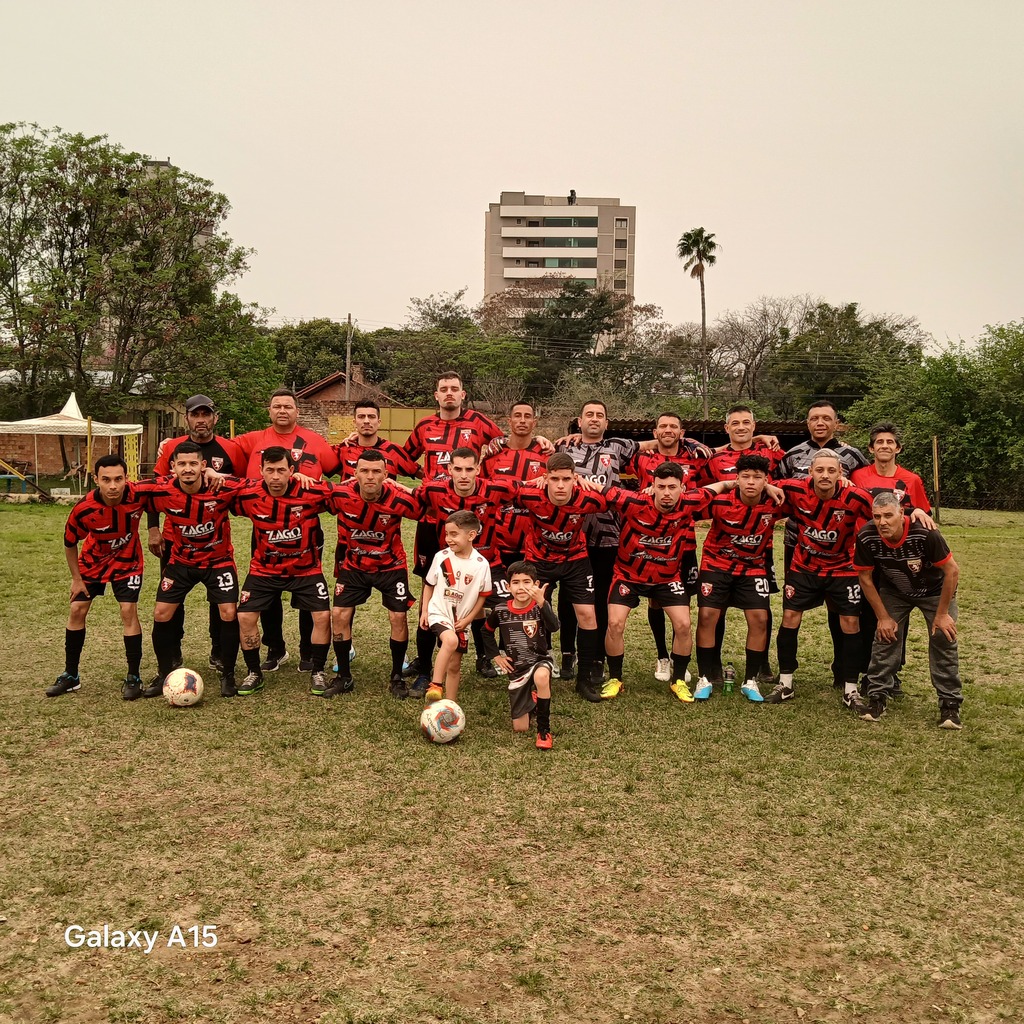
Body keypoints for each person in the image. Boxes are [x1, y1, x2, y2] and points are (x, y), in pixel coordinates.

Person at [601, 462, 733, 703]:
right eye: (661, 486)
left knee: (683, 625)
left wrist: (761, 486)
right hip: (628, 576)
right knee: (614, 623)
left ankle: (678, 680)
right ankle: (615, 678)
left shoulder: (690, 501)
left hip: (667, 578)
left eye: (672, 487)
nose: (666, 492)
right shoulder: (633, 501)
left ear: (682, 488)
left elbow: (721, 485)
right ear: (652, 486)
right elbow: (597, 489)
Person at [402, 372, 503, 685]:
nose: (449, 394)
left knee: (473, 587)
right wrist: (425, 477)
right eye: (443, 389)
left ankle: (484, 654)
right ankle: (424, 660)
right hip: (434, 521)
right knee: (432, 590)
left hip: (471, 518)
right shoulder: (424, 427)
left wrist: (539, 442)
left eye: (454, 389)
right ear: (436, 395)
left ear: (462, 394)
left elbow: (504, 445)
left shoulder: (480, 423)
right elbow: (403, 458)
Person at [233, 389, 340, 673]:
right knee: (266, 591)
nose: (282, 411)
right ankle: (275, 649)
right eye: (277, 406)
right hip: (265, 531)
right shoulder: (252, 439)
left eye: (288, 406)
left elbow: (338, 468)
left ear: (297, 411)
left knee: (309, 594)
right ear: (269, 411)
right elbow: (214, 448)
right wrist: (171, 444)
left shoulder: (315, 440)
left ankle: (308, 651)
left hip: (306, 530)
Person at [147, 394, 246, 679]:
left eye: (206, 415)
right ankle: (173, 651)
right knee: (170, 600)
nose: (200, 420)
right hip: (175, 538)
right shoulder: (171, 449)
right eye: (195, 415)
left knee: (221, 601)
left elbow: (240, 486)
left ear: (215, 418)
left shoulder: (231, 449)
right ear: (187, 418)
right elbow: (155, 492)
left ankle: (219, 651)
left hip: (215, 540)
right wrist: (153, 529)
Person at [766, 450, 874, 709]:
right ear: (810, 471)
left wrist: (916, 514)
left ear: (841, 474)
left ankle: (850, 688)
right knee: (790, 618)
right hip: (805, 567)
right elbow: (761, 485)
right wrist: (768, 486)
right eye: (820, 470)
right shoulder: (794, 488)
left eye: (831, 471)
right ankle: (786, 683)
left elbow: (884, 514)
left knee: (850, 623)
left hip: (843, 568)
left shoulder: (855, 496)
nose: (825, 475)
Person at [777, 400, 870, 689]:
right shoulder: (793, 454)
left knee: (841, 612)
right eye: (814, 418)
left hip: (841, 548)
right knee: (791, 611)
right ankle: (785, 679)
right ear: (807, 422)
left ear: (835, 422)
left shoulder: (853, 454)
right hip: (799, 543)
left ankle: (843, 672)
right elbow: (775, 488)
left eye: (826, 418)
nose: (820, 423)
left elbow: (866, 488)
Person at [229, 447, 334, 697]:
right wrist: (209, 471)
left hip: (306, 570)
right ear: (261, 472)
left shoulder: (311, 492)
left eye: (281, 470)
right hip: (264, 570)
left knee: (322, 616)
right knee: (244, 617)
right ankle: (254, 671)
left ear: (292, 471)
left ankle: (317, 670)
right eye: (270, 470)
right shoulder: (248, 495)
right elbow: (222, 487)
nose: (275, 476)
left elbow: (344, 492)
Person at [854, 492, 964, 729]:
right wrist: (883, 617)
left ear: (901, 513)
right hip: (896, 591)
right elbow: (864, 577)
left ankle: (950, 704)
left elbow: (952, 571)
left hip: (934, 591)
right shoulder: (866, 535)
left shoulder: (925, 533)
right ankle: (877, 698)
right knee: (885, 638)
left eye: (888, 516)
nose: (882, 522)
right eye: (877, 516)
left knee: (943, 638)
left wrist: (942, 614)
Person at [47, 455, 148, 700]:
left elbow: (169, 482)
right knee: (77, 610)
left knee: (128, 611)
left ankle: (133, 677)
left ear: (127, 479)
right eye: (106, 480)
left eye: (118, 479)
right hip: (93, 564)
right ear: (96, 480)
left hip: (128, 563)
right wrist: (76, 578)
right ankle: (71, 675)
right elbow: (69, 542)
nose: (113, 486)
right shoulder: (84, 509)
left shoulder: (139, 495)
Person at [555, 400, 641, 683]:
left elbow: (658, 444)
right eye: (589, 415)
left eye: (600, 415)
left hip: (607, 537)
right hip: (572, 536)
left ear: (606, 422)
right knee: (569, 598)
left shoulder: (618, 447)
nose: (594, 419)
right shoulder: (563, 448)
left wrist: (688, 438)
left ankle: (597, 659)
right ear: (578, 421)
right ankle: (568, 655)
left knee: (603, 598)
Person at [692, 454, 788, 701]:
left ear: (766, 480)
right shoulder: (720, 501)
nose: (751, 482)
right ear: (737, 479)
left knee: (759, 618)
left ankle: (750, 680)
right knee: (707, 616)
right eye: (745, 477)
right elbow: (691, 501)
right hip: (717, 564)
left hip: (753, 567)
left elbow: (808, 489)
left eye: (758, 478)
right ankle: (704, 677)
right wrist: (724, 485)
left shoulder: (775, 501)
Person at [326, 450, 419, 699]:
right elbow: (313, 496)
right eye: (364, 471)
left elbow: (425, 509)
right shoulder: (340, 495)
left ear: (386, 475)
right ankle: (344, 676)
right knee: (339, 614)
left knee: (398, 617)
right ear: (354, 474)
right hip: (354, 566)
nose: (370, 476)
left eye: (376, 471)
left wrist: (405, 488)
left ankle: (397, 677)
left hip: (391, 566)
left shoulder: (397, 499)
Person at [517, 452, 609, 702]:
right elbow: (499, 488)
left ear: (575, 480)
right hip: (538, 560)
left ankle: (584, 679)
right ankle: (534, 672)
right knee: (531, 613)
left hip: (575, 560)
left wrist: (598, 485)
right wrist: (527, 482)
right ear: (545, 478)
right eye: (554, 479)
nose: (560, 485)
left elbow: (625, 499)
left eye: (566, 479)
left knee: (588, 615)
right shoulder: (529, 494)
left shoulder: (588, 498)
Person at [628, 412, 712, 683]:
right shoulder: (642, 459)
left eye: (673, 427)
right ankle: (662, 656)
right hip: (651, 542)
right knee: (655, 599)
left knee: (681, 602)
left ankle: (678, 660)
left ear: (681, 431)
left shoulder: (694, 457)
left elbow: (721, 452)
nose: (667, 430)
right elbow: (612, 448)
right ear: (655, 432)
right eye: (663, 426)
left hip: (684, 541)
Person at [850, 422, 931, 693]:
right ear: (871, 448)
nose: (884, 446)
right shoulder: (859, 475)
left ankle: (893, 673)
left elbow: (922, 512)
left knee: (896, 617)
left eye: (890, 442)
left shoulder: (912, 480)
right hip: (867, 555)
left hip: (897, 558)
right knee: (868, 615)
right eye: (879, 442)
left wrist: (919, 512)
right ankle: (867, 671)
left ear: (898, 448)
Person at [481, 561, 557, 750]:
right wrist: (496, 656)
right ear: (508, 587)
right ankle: (533, 700)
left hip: (540, 660)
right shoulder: (501, 610)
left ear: (536, 585)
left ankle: (544, 731)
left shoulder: (539, 607)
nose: (521, 587)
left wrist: (542, 602)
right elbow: (485, 631)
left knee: (541, 676)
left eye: (526, 582)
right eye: (516, 582)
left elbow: (554, 627)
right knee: (520, 728)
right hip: (517, 669)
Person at [420, 510, 493, 704]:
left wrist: (468, 620)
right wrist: (425, 611)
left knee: (454, 665)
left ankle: (449, 704)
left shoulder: (481, 564)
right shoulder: (441, 556)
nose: (448, 539)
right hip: (439, 612)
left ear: (471, 535)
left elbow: (482, 598)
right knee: (450, 641)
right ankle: (435, 686)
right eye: (446, 534)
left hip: (461, 621)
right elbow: (429, 584)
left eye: (453, 534)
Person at [478, 400, 548, 568]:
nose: (522, 420)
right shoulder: (493, 456)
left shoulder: (546, 457)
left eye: (527, 416)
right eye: (517, 416)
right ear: (509, 421)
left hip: (534, 546)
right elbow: (480, 493)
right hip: (496, 544)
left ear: (534, 422)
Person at [332, 400, 420, 482]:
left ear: (379, 422)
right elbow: (318, 454)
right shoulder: (343, 449)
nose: (366, 421)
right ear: (354, 422)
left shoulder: (392, 450)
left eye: (371, 417)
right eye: (361, 417)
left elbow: (422, 473)